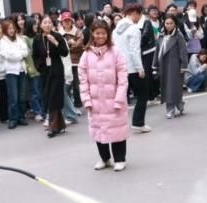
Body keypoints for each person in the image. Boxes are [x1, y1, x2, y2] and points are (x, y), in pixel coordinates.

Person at [78, 20, 129, 172]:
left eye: (103, 33)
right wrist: (86, 99)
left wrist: (119, 99)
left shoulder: (116, 52)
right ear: (92, 34)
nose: (100, 36)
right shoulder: (86, 54)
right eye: (97, 33)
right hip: (95, 101)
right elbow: (82, 79)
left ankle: (120, 159)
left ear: (108, 34)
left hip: (114, 99)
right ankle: (104, 158)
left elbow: (123, 79)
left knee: (117, 129)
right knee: (99, 129)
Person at [113, 3, 151, 134]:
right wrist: (140, 68)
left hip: (119, 67)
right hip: (132, 68)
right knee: (143, 94)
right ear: (135, 13)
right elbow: (134, 51)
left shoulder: (115, 30)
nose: (139, 18)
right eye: (139, 15)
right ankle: (138, 122)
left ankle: (117, 124)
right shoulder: (134, 29)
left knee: (121, 97)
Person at [33, 16, 68, 138]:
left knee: (54, 97)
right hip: (45, 72)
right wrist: (40, 67)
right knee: (49, 96)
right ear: (41, 25)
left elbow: (65, 52)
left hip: (57, 70)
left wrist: (55, 42)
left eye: (49, 22)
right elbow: (35, 56)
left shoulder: (57, 36)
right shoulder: (37, 39)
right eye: (45, 22)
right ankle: (60, 124)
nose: (47, 24)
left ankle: (52, 127)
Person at [153, 15, 188, 119]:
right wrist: (155, 65)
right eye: (167, 23)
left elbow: (183, 51)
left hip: (175, 65)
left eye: (171, 23)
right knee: (167, 87)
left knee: (172, 88)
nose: (169, 25)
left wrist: (183, 66)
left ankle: (171, 109)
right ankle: (179, 104)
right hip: (163, 65)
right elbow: (157, 51)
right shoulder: (161, 35)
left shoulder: (179, 35)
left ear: (175, 24)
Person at [0, 18, 29, 129]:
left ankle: (21, 116)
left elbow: (26, 52)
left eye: (12, 28)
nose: (11, 30)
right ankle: (13, 119)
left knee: (22, 96)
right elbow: (8, 55)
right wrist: (19, 55)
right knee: (13, 97)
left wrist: (18, 54)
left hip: (22, 70)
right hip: (11, 71)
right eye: (9, 29)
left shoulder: (19, 38)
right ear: (5, 30)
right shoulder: (3, 41)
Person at [59, 11, 84, 108]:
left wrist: (68, 47)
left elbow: (79, 46)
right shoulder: (59, 33)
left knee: (76, 84)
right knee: (66, 85)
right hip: (64, 62)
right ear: (62, 22)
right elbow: (59, 48)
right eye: (65, 21)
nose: (67, 22)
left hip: (76, 62)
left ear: (72, 21)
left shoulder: (77, 32)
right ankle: (68, 105)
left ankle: (77, 104)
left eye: (68, 20)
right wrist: (70, 44)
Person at [24, 17, 45, 121]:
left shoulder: (38, 36)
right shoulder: (25, 39)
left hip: (40, 67)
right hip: (32, 68)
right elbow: (27, 55)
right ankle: (37, 111)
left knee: (41, 91)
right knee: (34, 92)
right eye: (34, 24)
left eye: (37, 24)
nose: (36, 26)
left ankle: (42, 111)